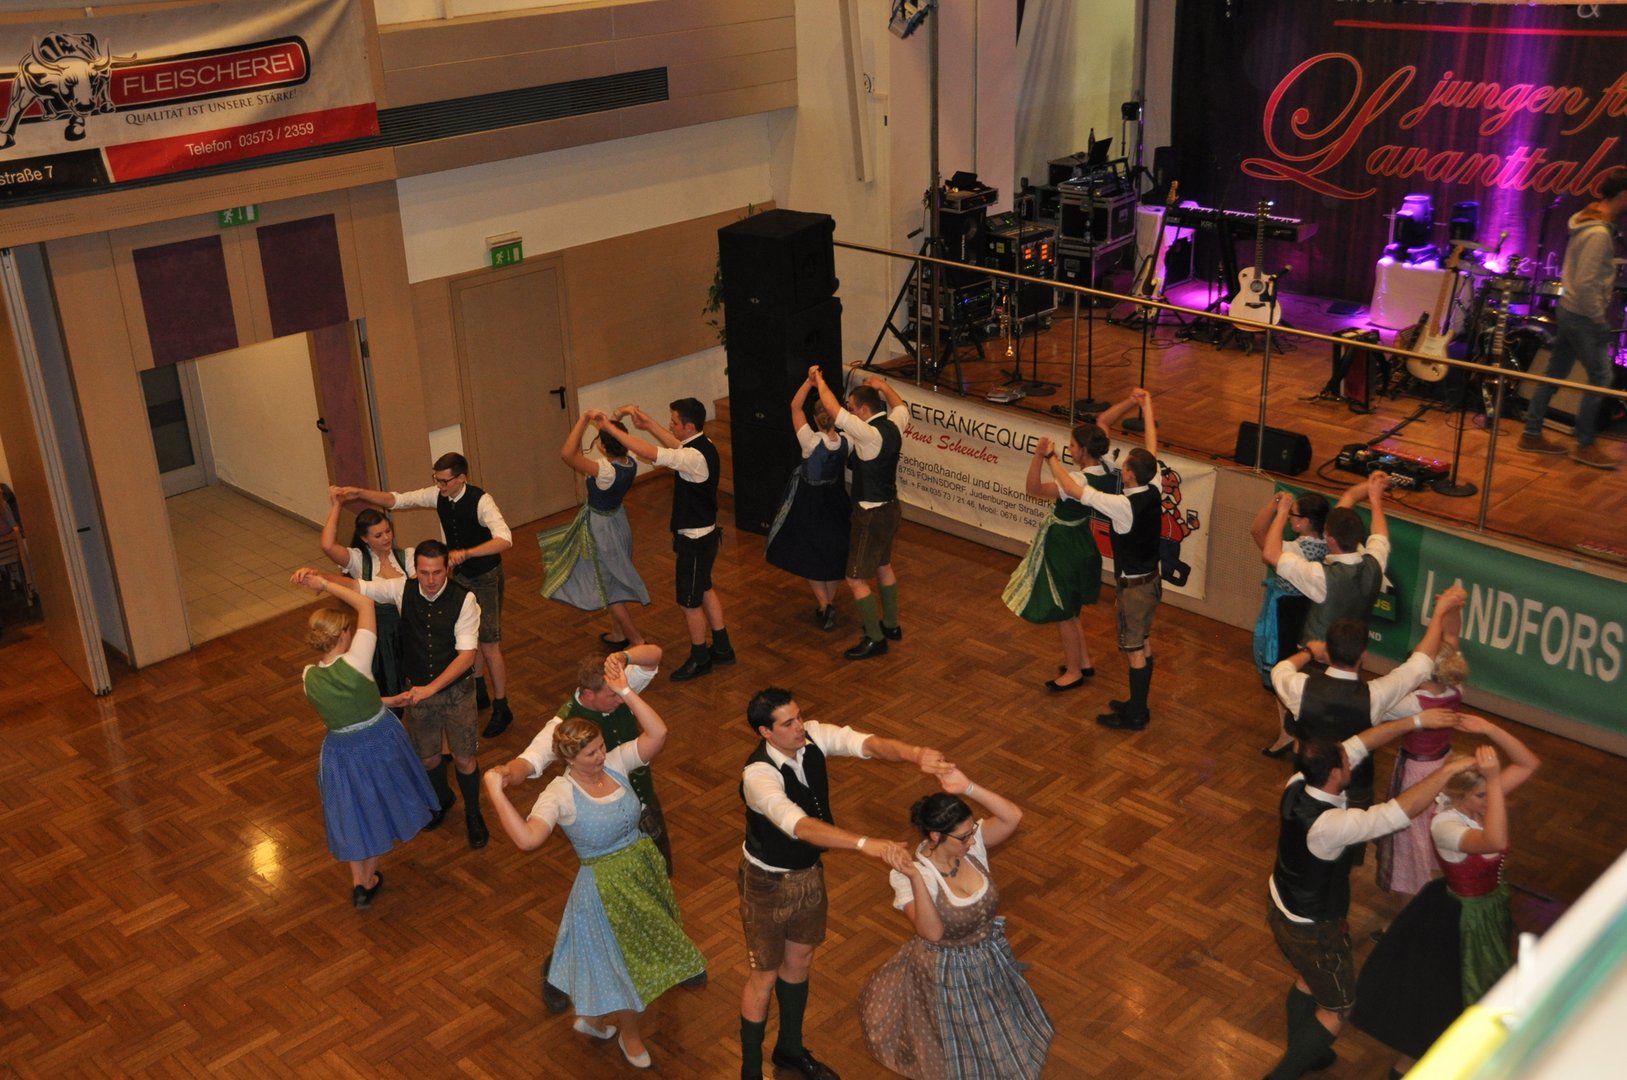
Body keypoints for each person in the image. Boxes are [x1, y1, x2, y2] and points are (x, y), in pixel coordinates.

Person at [483, 653, 705, 1072]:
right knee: (624, 965)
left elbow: (659, 733)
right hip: (604, 891)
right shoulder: (559, 794)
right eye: (591, 754)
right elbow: (527, 839)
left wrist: (624, 690)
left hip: (640, 871)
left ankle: (594, 1019)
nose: (601, 757)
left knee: (633, 954)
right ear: (570, 759)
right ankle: (629, 1034)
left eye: (601, 748)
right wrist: (496, 791)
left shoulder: (616, 762)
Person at [738, 687, 949, 1080]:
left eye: (800, 716)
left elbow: (867, 745)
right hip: (766, 883)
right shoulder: (758, 775)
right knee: (764, 977)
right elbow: (800, 826)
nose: (800, 727)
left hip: (807, 874)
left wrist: (916, 753)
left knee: (800, 961)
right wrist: (867, 844)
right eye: (788, 723)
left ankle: (789, 1049)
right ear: (765, 732)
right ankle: (750, 1071)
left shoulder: (813, 737)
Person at [1263, 711, 1476, 1080]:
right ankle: (1282, 1074)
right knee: (1338, 1008)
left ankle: (1308, 1053)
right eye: (1345, 762)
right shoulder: (1331, 825)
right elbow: (1396, 813)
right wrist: (1446, 772)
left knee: (1308, 978)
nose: (1352, 760)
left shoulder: (1298, 782)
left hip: (1281, 906)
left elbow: (1362, 743)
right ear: (1335, 774)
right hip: (1313, 928)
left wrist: (1415, 722)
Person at [1351, 718, 1540, 1077]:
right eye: (1481, 795)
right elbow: (1495, 840)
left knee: (1474, 999)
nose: (1490, 799)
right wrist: (1494, 781)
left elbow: (1529, 764)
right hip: (1456, 922)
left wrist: (1490, 730)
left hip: (1486, 912)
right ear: (1458, 795)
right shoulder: (1447, 826)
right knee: (1444, 1009)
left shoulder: (1481, 802)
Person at [858, 768, 1052, 1079]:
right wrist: (914, 877)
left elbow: (1013, 817)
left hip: (987, 958)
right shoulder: (912, 874)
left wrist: (968, 787)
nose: (972, 840)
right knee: (960, 1043)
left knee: (995, 1031)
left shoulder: (971, 846)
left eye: (972, 831)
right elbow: (932, 933)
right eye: (964, 836)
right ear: (936, 836)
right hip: (947, 974)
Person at [300, 540, 490, 851]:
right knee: (428, 757)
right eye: (424, 573)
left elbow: (467, 655)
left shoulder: (465, 600)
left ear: (447, 569)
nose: (430, 580)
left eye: (437, 573)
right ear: (415, 571)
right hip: (417, 690)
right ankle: (441, 800)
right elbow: (359, 587)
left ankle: (473, 813)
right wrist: (321, 579)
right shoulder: (402, 588)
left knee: (464, 757)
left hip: (456, 693)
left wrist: (431, 688)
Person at [289, 568, 438, 909]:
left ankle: (360, 882)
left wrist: (385, 700)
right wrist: (325, 584)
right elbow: (366, 605)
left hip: (340, 752)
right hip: (377, 743)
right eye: (348, 629)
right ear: (343, 634)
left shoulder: (308, 676)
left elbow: (346, 706)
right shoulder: (357, 660)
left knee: (354, 812)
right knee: (379, 807)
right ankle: (366, 880)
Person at [341, 452, 517, 738]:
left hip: (485, 576)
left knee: (488, 643)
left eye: (444, 481)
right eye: (436, 479)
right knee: (466, 636)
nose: (439, 485)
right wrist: (360, 493)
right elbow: (397, 500)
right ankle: (479, 691)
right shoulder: (439, 495)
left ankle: (502, 706)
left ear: (462, 478)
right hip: (461, 576)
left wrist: (467, 553)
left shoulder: (481, 501)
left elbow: (505, 539)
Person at [1271, 586, 1468, 829]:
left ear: (1328, 652)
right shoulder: (1377, 696)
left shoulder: (1299, 688)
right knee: (1355, 834)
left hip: (1309, 781)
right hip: (1356, 787)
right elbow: (1419, 667)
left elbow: (1280, 670)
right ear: (1364, 656)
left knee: (1306, 830)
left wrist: (1309, 652)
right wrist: (1440, 613)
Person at [1003, 392, 1144, 693]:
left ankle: (1073, 671)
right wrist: (1133, 401)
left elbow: (1033, 488)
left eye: (1072, 446)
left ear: (1082, 452)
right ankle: (1084, 660)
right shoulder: (1106, 464)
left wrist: (1041, 456)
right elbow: (1104, 420)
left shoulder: (1078, 482)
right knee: (1072, 608)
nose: (1069, 449)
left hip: (1064, 543)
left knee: (1064, 613)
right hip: (1081, 539)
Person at [1040, 387, 1162, 729]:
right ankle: (1136, 704)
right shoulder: (1154, 486)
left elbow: (1075, 489)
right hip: (1151, 581)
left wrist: (1051, 457)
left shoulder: (1123, 506)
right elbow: (1152, 447)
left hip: (1135, 587)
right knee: (1143, 643)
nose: (1121, 468)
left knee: (1134, 650)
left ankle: (1136, 714)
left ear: (1131, 475)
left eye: (1125, 466)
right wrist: (1146, 405)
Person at [597, 398, 735, 682]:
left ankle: (700, 658)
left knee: (689, 603)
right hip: (706, 537)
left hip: (694, 542)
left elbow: (649, 451)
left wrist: (610, 429)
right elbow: (673, 445)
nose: (671, 426)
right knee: (705, 589)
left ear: (689, 426)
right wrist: (646, 422)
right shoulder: (702, 445)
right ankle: (722, 647)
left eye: (674, 422)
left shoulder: (692, 458)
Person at [1518, 165, 1627, 469]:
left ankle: (1531, 433)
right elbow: (1587, 283)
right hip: (1583, 315)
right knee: (1601, 378)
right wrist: (1599, 320)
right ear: (1622, 195)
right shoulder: (1598, 234)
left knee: (1555, 372)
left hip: (1570, 309)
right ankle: (1585, 444)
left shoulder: (1587, 221)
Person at [811, 368, 908, 660]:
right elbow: (901, 405)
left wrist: (819, 380)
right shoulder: (895, 424)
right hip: (891, 508)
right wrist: (882, 385)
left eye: (853, 408)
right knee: (883, 566)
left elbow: (832, 409)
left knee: (854, 579)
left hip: (870, 515)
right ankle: (891, 625)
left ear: (865, 410)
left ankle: (875, 639)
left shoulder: (869, 434)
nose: (850, 412)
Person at [1374, 604, 1469, 895]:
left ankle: (1412, 889)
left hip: (1416, 772)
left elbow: (1377, 704)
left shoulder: (1414, 704)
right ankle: (1440, 876)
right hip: (1444, 763)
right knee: (1434, 822)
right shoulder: (1456, 689)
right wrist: (1454, 607)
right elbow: (1452, 638)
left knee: (1410, 831)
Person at [538, 410, 650, 649]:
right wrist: (613, 420)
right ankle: (618, 633)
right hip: (618, 521)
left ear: (603, 446)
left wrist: (584, 419)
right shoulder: (630, 461)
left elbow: (568, 454)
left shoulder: (605, 472)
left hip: (602, 529)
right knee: (612, 578)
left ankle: (637, 641)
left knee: (608, 588)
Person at [1261, 470, 1392, 650]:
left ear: (1330, 539)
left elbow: (1270, 554)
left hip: (1319, 657)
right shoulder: (1374, 563)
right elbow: (1380, 534)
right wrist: (1375, 497)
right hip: (1353, 654)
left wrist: (1283, 513)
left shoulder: (1321, 576)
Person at [765, 373, 851, 632]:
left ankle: (824, 604)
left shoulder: (810, 442)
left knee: (810, 551)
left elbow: (794, 407)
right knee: (834, 550)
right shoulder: (847, 442)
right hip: (835, 498)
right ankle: (829, 603)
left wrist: (809, 382)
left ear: (815, 418)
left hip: (809, 500)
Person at [319, 487, 414, 697]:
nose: (386, 538)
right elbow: (327, 546)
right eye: (378, 535)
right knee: (386, 686)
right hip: (376, 636)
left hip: (408, 630)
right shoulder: (358, 560)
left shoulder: (407, 557)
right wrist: (337, 505)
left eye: (388, 531)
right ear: (364, 539)